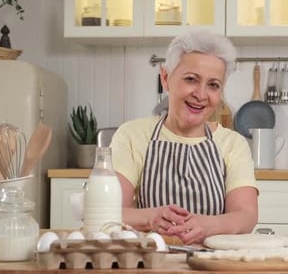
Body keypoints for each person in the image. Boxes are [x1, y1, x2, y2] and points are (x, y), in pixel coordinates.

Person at [110, 30, 258, 244]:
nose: (200, 94)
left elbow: (246, 216)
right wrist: (151, 217)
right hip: (152, 260)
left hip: (212, 263)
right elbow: (110, 212)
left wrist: (205, 225)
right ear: (165, 77)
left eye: (213, 85)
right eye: (191, 79)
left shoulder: (233, 144)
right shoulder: (133, 135)